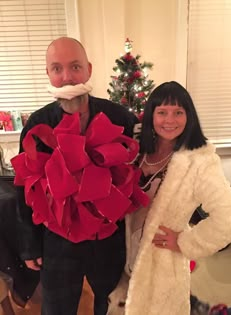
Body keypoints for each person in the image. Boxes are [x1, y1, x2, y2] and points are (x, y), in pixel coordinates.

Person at [14, 37, 139, 315]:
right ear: (48, 74)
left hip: (109, 240)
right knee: (57, 308)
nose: (67, 77)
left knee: (112, 307)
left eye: (75, 67)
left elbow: (139, 175)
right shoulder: (37, 124)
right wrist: (29, 245)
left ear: (89, 70)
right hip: (58, 242)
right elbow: (26, 188)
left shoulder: (120, 118)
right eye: (57, 69)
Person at [123, 81, 231, 315]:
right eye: (162, 112)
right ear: (151, 116)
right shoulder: (137, 150)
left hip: (162, 264)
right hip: (122, 255)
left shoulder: (199, 160)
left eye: (178, 112)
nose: (169, 120)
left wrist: (186, 241)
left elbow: (229, 216)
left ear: (189, 116)